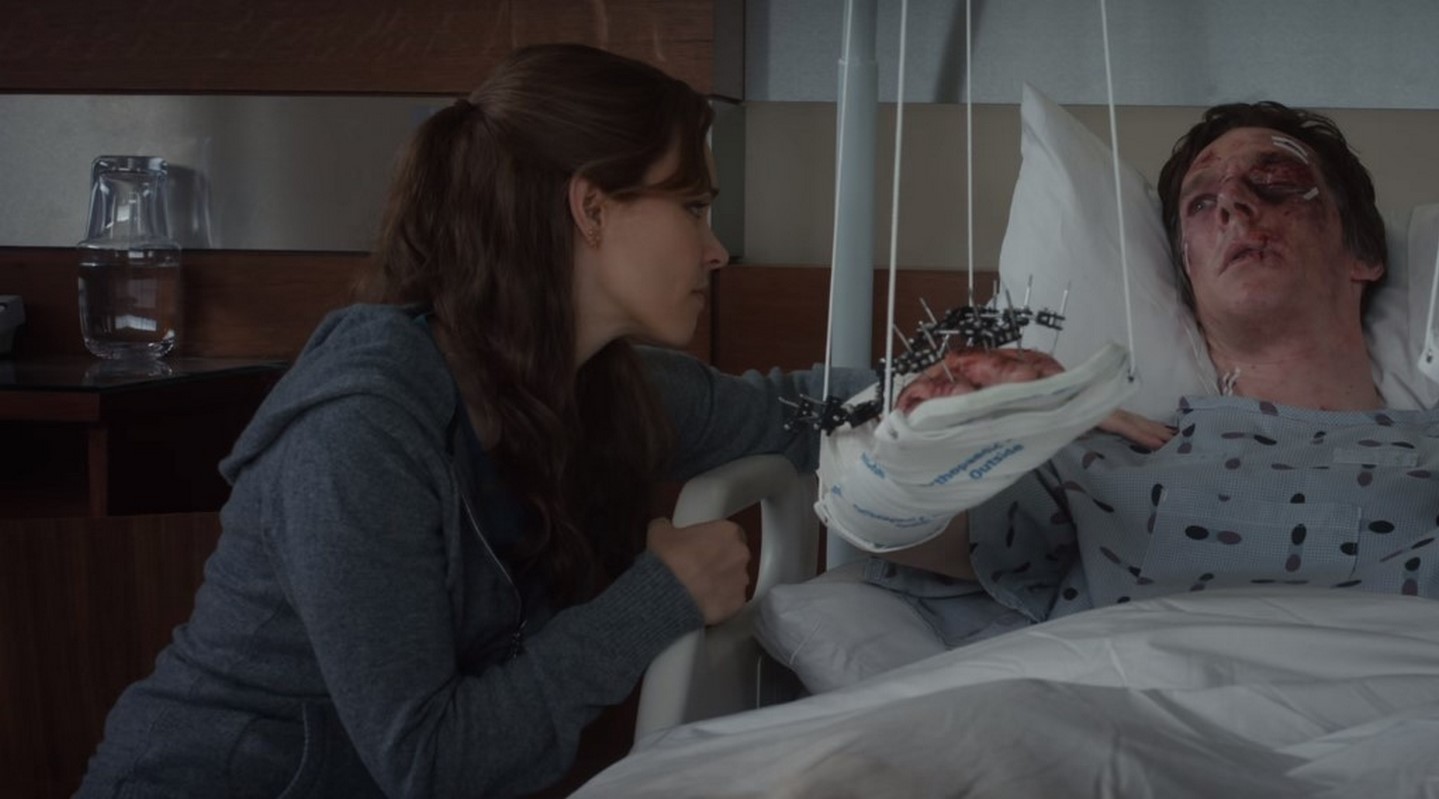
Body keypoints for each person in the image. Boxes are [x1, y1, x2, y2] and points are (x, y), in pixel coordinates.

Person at [80, 44, 863, 797]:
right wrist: (662, 598)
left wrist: (931, 387)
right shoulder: (358, 435)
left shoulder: (600, 388)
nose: (716, 250)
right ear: (592, 208)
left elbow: (800, 412)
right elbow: (430, 762)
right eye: (693, 207)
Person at [853, 101, 1439, 648]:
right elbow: (897, 535)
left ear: (1363, 251)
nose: (1234, 204)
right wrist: (940, 429)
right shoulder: (1102, 455)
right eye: (1202, 202)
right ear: (1187, 274)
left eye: (1276, 181)